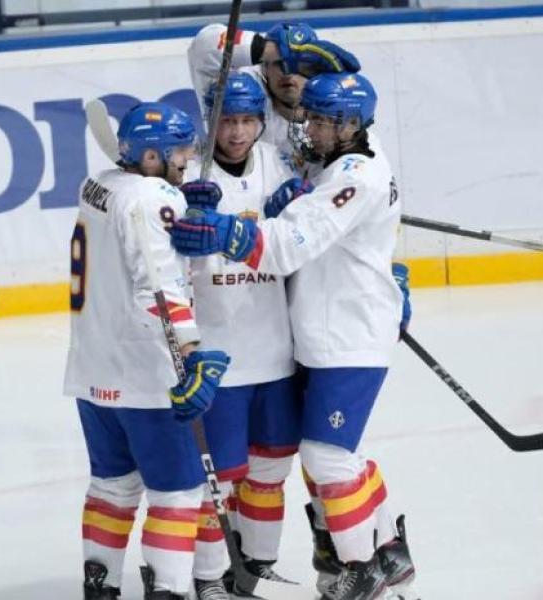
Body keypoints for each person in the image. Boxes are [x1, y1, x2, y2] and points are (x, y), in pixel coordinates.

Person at [170, 72, 416, 600]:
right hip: (327, 333)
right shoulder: (344, 161)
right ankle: (387, 546)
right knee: (332, 456)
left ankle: (362, 565)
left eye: (323, 120)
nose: (310, 127)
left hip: (346, 335)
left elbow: (286, 247)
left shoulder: (354, 174)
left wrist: (226, 230)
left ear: (350, 125)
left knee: (325, 458)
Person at [66, 102, 233, 600]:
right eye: (179, 151)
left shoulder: (96, 184)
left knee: (112, 487)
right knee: (178, 493)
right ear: (153, 156)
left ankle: (101, 586)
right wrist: (193, 352)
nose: (188, 158)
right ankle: (170, 591)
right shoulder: (151, 199)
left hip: (93, 371)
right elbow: (159, 289)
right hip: (148, 374)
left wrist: (184, 203)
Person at [178, 73, 303, 596]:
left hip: (275, 352)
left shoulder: (276, 164)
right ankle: (208, 578)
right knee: (220, 480)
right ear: (212, 120)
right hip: (218, 358)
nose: (237, 132)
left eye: (248, 120)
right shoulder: (187, 174)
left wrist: (296, 204)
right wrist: (183, 211)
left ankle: (252, 566)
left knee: (271, 472)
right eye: (227, 120)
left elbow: (308, 236)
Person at [187, 21, 361, 163]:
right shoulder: (241, 86)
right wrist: (276, 50)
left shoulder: (326, 115)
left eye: (300, 66)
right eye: (280, 63)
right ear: (264, 67)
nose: (288, 73)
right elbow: (203, 47)